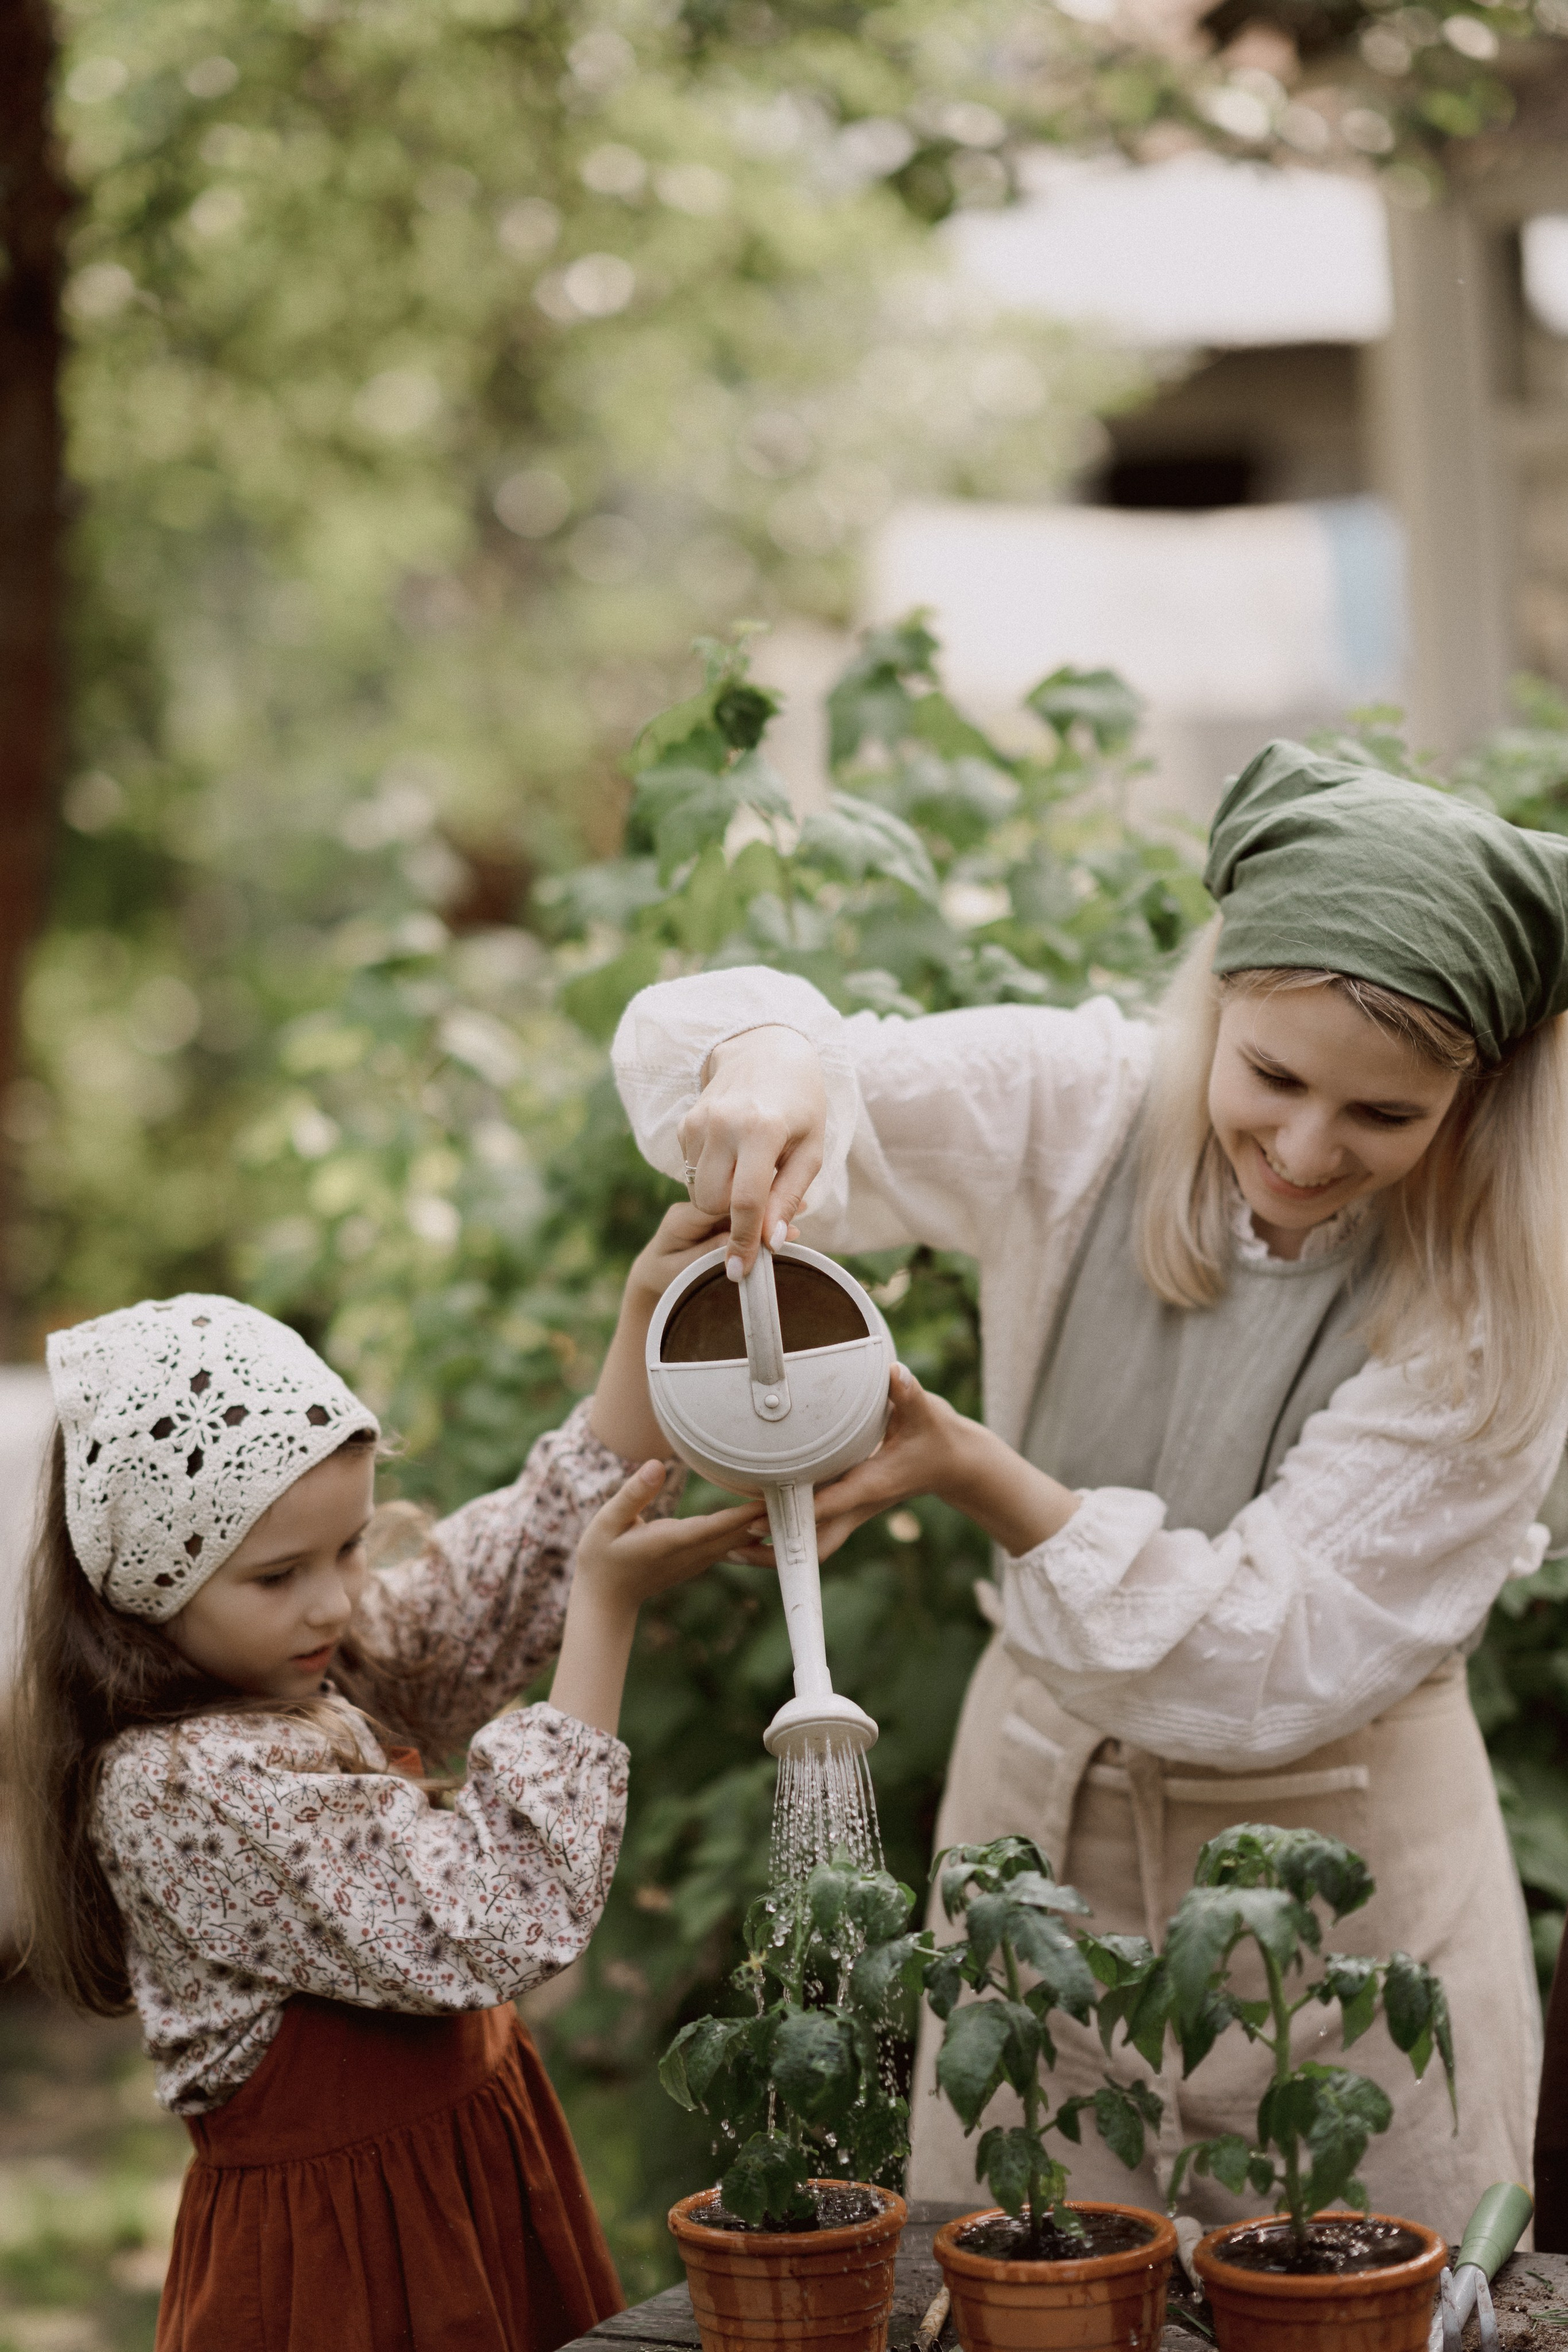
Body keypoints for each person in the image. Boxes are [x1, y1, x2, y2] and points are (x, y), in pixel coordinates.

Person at [611, 740, 1568, 2233]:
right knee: (1024, 2278)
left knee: (1355, 2286)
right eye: (1270, 1076)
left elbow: (1256, 1660)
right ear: (1216, 1003)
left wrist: (977, 1476)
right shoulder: (1084, 1104)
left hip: (1350, 1902)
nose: (1302, 1149)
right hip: (1031, 1855)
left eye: (1381, 1118)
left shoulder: (1493, 1297)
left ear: (1475, 1094)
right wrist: (773, 1065)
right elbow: (738, 1056)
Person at [12, 1207, 753, 2352]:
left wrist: (646, 1312)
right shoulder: (178, 1784)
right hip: (338, 2277)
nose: (336, 1600)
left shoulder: (296, 1663)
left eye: (351, 1547)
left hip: (464, 2198)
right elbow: (499, 1908)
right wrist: (608, 1608)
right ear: (147, 1588)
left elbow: (514, 1568)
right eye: (278, 1576)